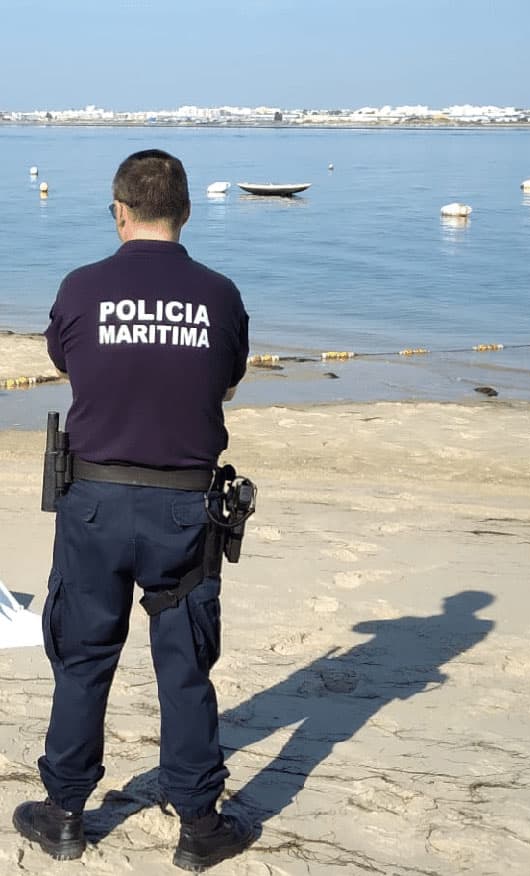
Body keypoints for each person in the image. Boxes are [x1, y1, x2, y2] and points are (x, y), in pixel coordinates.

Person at [13, 149, 255, 871]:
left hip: (96, 503)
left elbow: (67, 362)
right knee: (183, 666)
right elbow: (230, 380)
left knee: (84, 658)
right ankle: (198, 821)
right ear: (184, 211)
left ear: (119, 210)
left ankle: (64, 813)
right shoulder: (217, 293)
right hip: (183, 507)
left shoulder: (84, 286)